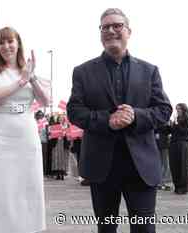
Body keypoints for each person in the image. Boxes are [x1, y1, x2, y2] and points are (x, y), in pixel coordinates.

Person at [67, 8, 172, 233]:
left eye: (117, 26)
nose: (111, 31)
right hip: (101, 166)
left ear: (129, 31)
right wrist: (108, 120)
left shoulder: (149, 71)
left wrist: (136, 115)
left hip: (141, 167)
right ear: (100, 33)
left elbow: (164, 110)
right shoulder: (82, 72)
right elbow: (74, 111)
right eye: (105, 27)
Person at [0, 27, 49, 233]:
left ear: (18, 44)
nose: (6, 46)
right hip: (0, 130)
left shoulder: (28, 71)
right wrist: (21, 81)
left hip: (25, 130)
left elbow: (45, 100)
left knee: (27, 182)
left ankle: (27, 227)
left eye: (10, 41)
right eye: (1, 43)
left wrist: (31, 77)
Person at [168, 103, 188, 194]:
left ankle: (183, 188)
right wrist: (169, 125)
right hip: (173, 144)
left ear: (183, 110)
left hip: (182, 145)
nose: (177, 111)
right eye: (176, 109)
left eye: (179, 109)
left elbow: (184, 131)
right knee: (174, 166)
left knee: (182, 167)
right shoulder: (176, 120)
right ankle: (177, 186)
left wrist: (176, 124)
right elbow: (171, 132)